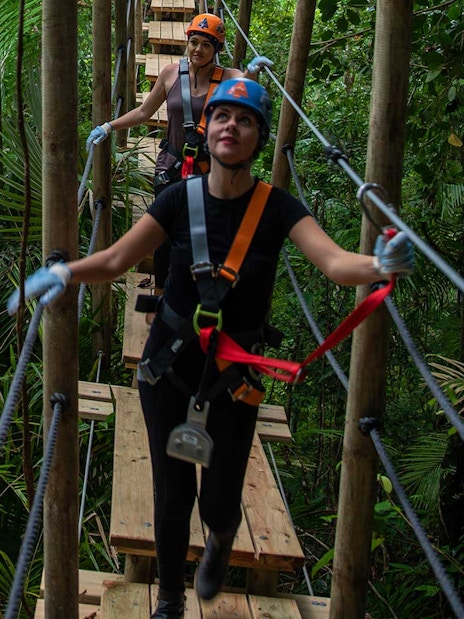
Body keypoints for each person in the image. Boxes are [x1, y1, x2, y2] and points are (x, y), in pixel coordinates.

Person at [9, 79, 414, 618]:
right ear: (208, 127)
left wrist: (378, 267)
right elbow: (115, 261)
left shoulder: (278, 209)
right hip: (167, 368)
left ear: (257, 138)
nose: (231, 127)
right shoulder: (178, 199)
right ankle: (171, 599)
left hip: (233, 378)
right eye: (222, 116)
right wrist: (65, 272)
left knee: (221, 501)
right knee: (171, 497)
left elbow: (336, 263)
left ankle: (220, 542)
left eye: (245, 121)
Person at [85, 12, 273, 294]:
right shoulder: (171, 73)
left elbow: (245, 88)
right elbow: (145, 111)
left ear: (216, 50)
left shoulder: (228, 78)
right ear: (187, 41)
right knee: (163, 235)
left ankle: (194, 298)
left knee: (204, 237)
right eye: (194, 42)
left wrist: (253, 72)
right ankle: (161, 296)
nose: (198, 49)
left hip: (209, 171)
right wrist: (109, 126)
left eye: (206, 45)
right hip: (171, 165)